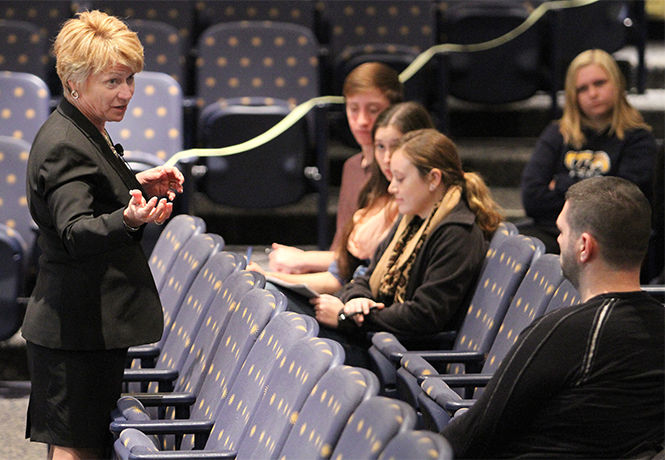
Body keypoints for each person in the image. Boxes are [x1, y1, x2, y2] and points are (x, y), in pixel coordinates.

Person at [23, 11, 184, 459]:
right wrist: (131, 219)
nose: (127, 93)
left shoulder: (83, 127)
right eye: (113, 81)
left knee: (85, 443)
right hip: (75, 330)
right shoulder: (64, 145)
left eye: (130, 79)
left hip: (86, 325)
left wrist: (137, 186)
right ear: (75, 81)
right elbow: (75, 230)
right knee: (78, 449)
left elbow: (91, 196)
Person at [442, 176, 664, 458]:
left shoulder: (566, 332)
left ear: (584, 245)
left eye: (561, 231)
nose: (557, 240)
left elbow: (472, 435)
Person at [311, 129, 502, 366]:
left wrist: (347, 318)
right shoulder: (411, 220)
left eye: (400, 179)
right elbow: (366, 276)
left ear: (434, 179)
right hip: (380, 339)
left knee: (309, 346)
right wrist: (357, 300)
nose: (392, 188)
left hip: (405, 355)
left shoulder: (457, 234)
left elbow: (424, 316)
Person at [250, 102, 434, 294]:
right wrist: (269, 277)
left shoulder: (417, 206)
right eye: (380, 146)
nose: (387, 158)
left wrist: (342, 315)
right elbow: (340, 275)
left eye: (395, 146)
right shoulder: (374, 191)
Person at [267, 62, 403, 274]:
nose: (362, 121)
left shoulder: (399, 173)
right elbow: (341, 251)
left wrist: (304, 260)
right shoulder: (352, 167)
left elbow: (371, 258)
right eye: (353, 109)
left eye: (374, 110)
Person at [520, 48, 656, 253]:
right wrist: (606, 182)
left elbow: (623, 205)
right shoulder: (557, 133)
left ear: (617, 84)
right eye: (582, 88)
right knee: (512, 241)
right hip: (555, 232)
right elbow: (532, 198)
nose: (592, 93)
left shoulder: (639, 139)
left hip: (611, 240)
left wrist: (561, 184)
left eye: (600, 83)